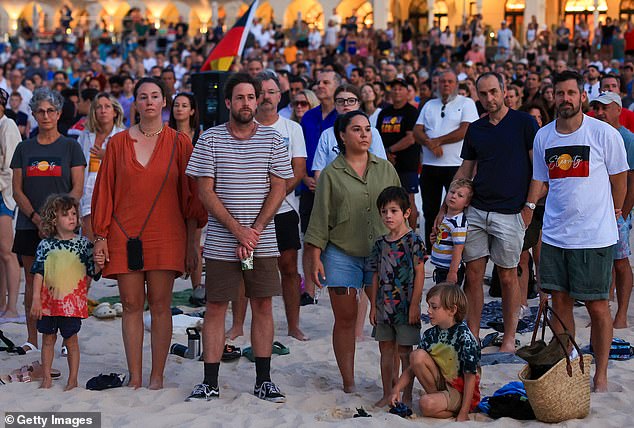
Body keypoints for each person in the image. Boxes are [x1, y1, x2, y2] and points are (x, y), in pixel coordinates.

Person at [185, 73, 293, 402]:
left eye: (251, 97)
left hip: (262, 240)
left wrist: (255, 230)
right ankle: (210, 381)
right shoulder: (210, 139)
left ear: (257, 100)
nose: (246, 103)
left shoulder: (273, 140)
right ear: (229, 102)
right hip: (221, 240)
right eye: (240, 98)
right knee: (216, 307)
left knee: (262, 305)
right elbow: (204, 191)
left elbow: (280, 186)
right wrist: (238, 230)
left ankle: (263, 380)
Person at [91, 77, 205, 390]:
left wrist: (193, 245)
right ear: (135, 103)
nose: (149, 102)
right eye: (143, 97)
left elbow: (192, 198)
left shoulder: (180, 143)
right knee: (130, 306)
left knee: (159, 306)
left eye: (155, 96)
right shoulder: (116, 144)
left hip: (167, 234)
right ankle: (135, 376)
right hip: (122, 233)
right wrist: (100, 237)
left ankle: (157, 376)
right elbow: (104, 193)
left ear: (164, 102)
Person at [525, 71, 628, 392]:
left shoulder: (603, 133)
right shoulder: (543, 136)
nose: (566, 98)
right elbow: (541, 180)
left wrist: (614, 213)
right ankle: (569, 364)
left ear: (582, 96)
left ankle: (600, 374)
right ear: (553, 96)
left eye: (572, 93)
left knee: (598, 306)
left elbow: (620, 177)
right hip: (556, 235)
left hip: (595, 235)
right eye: (560, 93)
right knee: (560, 304)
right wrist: (528, 209)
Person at [303, 110, 401, 393]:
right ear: (343, 136)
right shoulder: (332, 174)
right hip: (341, 253)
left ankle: (390, 385)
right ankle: (348, 382)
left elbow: (402, 214)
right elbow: (320, 218)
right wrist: (315, 257)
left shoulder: (386, 169)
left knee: (386, 319)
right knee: (345, 320)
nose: (364, 134)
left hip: (383, 254)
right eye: (356, 130)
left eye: (367, 129)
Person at [449, 72, 538, 352]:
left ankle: (509, 337)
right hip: (477, 209)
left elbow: (538, 169)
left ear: (504, 91)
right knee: (473, 274)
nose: (489, 98)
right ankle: (473, 335)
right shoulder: (476, 129)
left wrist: (530, 207)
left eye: (493, 92)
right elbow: (466, 169)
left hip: (511, 211)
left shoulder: (524, 122)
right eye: (483, 94)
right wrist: (447, 205)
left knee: (508, 276)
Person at [10, 87, 86, 354]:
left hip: (63, 227)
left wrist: (57, 219)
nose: (45, 116)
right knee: (33, 282)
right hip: (29, 224)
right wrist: (35, 217)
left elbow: (77, 188)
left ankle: (67, 340)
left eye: (50, 111)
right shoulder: (23, 147)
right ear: (33, 114)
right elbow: (17, 189)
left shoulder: (71, 146)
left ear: (59, 113)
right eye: (40, 111)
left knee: (62, 282)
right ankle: (33, 338)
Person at [255, 71, 308, 341]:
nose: (266, 97)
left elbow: (298, 170)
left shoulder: (292, 129)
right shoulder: (243, 126)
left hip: (285, 209)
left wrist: (273, 199)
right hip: (249, 210)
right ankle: (240, 325)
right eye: (261, 91)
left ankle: (293, 325)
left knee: (288, 269)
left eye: (272, 91)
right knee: (247, 269)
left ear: (280, 96)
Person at [30, 194, 103, 390]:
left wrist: (98, 264)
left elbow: (92, 272)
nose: (72, 218)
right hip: (48, 304)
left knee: (71, 341)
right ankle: (46, 377)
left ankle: (72, 379)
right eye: (65, 214)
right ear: (54, 220)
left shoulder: (84, 244)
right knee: (48, 340)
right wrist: (36, 299)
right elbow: (38, 273)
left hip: (72, 304)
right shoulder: (45, 245)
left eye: (73, 214)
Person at [366, 186, 425, 407]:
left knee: (405, 352)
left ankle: (406, 395)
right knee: (385, 350)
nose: (388, 216)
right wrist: (373, 306)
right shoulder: (380, 244)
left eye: (393, 211)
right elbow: (374, 275)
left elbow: (420, 273)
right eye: (384, 211)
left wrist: (414, 305)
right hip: (384, 306)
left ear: (406, 213)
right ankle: (387, 392)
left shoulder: (413, 241)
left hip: (406, 306)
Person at [390, 283, 481, 421]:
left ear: (452, 310)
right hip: (442, 383)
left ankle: (452, 411)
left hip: (460, 391)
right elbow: (411, 369)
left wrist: (464, 411)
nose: (429, 311)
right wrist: (397, 389)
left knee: (425, 404)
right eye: (429, 306)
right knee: (416, 355)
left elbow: (470, 377)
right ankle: (439, 400)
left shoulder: (465, 338)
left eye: (434, 307)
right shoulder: (430, 334)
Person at [414, 70, 479, 252]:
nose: (446, 84)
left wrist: (438, 141)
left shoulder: (466, 103)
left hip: (455, 166)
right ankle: (430, 249)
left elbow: (466, 129)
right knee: (429, 210)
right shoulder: (429, 105)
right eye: (442, 81)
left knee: (457, 210)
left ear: (456, 84)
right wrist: (429, 142)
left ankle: (457, 248)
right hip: (430, 166)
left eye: (450, 81)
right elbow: (417, 130)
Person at [589, 91, 634, 329]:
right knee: (604, 262)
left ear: (618, 109)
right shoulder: (596, 134)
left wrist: (624, 213)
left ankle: (622, 314)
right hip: (599, 208)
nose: (600, 113)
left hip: (618, 211)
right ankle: (605, 311)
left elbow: (632, 180)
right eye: (598, 108)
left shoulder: (627, 138)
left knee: (620, 261)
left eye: (605, 108)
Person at [169, 92, 206, 304]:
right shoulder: (165, 134)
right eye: (176, 105)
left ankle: (197, 286)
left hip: (195, 191)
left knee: (194, 242)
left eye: (184, 105)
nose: (179, 109)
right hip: (172, 192)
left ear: (192, 110)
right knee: (173, 242)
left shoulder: (200, 136)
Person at [78, 93, 125, 241]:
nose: (103, 110)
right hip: (87, 194)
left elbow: (130, 167)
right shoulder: (85, 136)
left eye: (107, 106)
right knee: (89, 244)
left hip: (113, 195)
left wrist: (108, 156)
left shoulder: (124, 136)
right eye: (99, 107)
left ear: (115, 111)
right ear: (94, 112)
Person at [377, 78, 420, 230]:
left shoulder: (412, 112)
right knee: (388, 201)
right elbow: (377, 137)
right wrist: (385, 154)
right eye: (393, 88)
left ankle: (412, 237)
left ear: (407, 91)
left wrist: (390, 150)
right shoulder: (384, 113)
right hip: (387, 164)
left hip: (407, 164)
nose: (396, 91)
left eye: (400, 88)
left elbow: (411, 138)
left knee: (409, 201)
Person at [0, 88, 22, 321]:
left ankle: (13, 307)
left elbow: (12, 167)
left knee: (7, 252)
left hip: (4, 196)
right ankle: (2, 303)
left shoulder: (8, 126)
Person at [430, 179, 472, 286]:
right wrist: (434, 240)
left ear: (467, 202)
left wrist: (452, 273)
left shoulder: (458, 223)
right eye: (452, 192)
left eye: (460, 195)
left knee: (447, 300)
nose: (454, 196)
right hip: (441, 268)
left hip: (450, 271)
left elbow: (458, 248)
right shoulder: (444, 218)